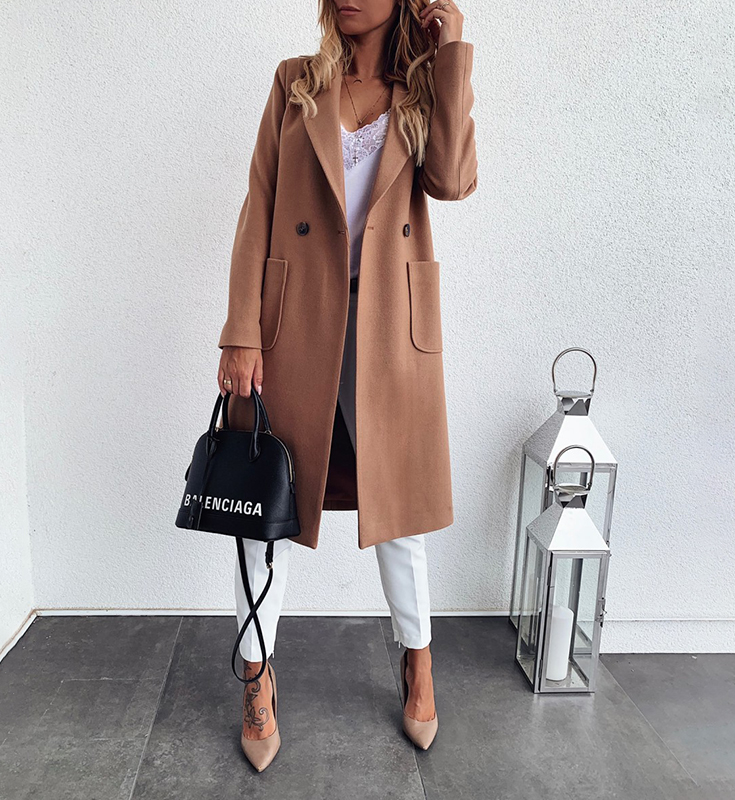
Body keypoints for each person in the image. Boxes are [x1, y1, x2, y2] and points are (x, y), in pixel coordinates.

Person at [217, 0, 477, 772]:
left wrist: (452, 54)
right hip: (297, 322)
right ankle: (256, 677)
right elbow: (259, 205)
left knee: (401, 510)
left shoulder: (421, 91)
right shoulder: (295, 82)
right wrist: (241, 330)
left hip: (389, 325)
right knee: (263, 503)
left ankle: (418, 662)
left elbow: (454, 180)